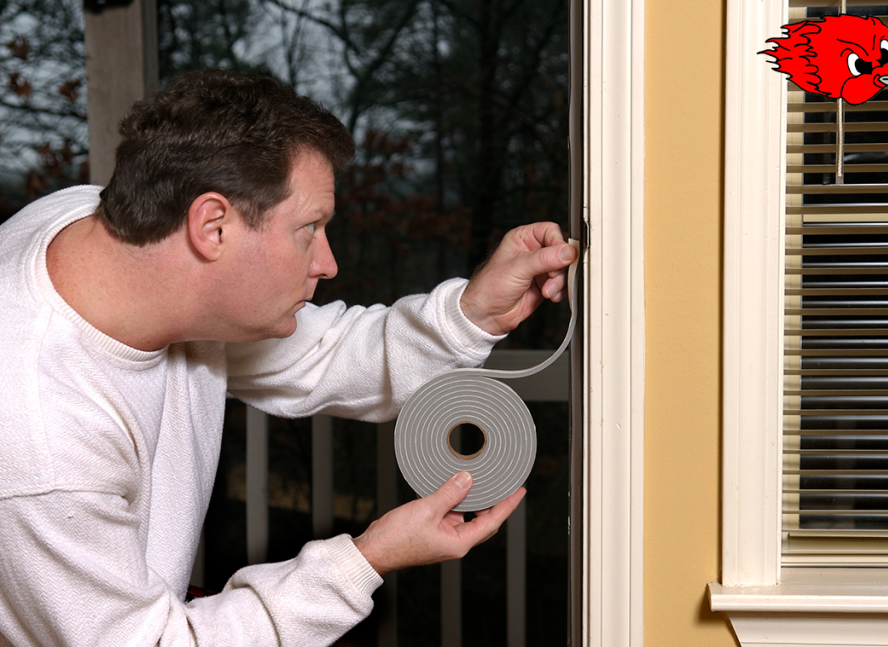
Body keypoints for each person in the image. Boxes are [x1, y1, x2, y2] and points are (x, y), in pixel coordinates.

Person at [0, 69, 577, 646]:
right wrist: (366, 560)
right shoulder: (41, 436)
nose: (327, 263)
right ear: (213, 226)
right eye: (309, 229)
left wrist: (473, 313)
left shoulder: (100, 226)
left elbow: (320, 355)